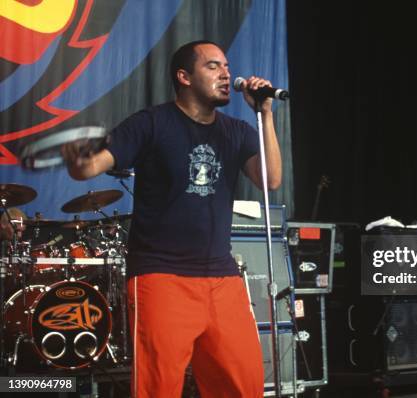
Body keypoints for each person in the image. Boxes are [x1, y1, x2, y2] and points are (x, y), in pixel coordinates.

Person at [62, 40, 282, 397]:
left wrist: (266, 114)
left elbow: (271, 179)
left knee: (244, 387)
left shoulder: (238, 131)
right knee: (159, 389)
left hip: (222, 278)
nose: (226, 73)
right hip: (161, 277)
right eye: (213, 66)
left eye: (226, 66)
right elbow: (91, 165)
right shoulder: (152, 123)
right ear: (184, 76)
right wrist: (80, 161)